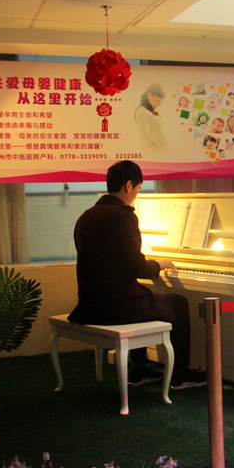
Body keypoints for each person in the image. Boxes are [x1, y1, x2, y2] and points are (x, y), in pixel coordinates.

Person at [69, 161, 205, 390]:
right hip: (116, 306)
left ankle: (139, 368)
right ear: (129, 185)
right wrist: (157, 265)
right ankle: (181, 373)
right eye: (139, 189)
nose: (136, 195)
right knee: (179, 303)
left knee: (144, 294)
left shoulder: (86, 216)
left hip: (90, 304)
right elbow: (137, 267)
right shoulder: (123, 216)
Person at [134, 84, 167, 152]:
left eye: (161, 102)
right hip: (155, 152)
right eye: (157, 100)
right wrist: (162, 151)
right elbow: (147, 135)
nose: (159, 104)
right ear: (149, 96)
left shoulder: (152, 112)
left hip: (162, 150)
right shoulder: (142, 111)